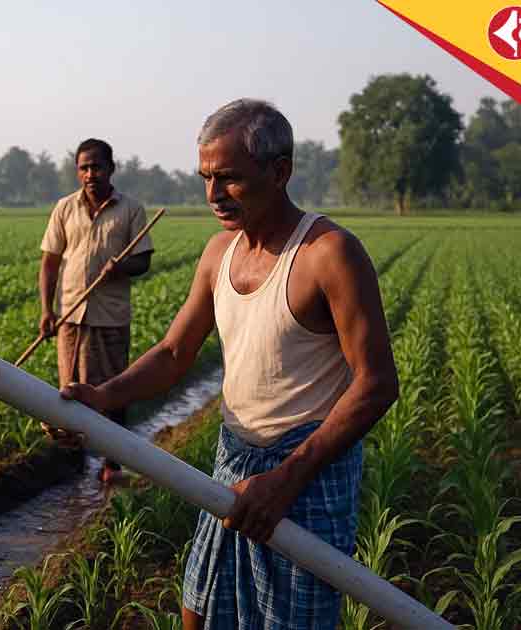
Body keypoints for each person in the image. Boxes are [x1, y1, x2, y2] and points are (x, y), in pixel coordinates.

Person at [61, 100, 398, 628]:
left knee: (289, 620)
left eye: (230, 179)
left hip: (306, 474)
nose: (214, 194)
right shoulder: (220, 252)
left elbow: (376, 385)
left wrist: (287, 478)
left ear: (279, 171)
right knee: (199, 609)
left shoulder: (328, 254)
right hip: (233, 465)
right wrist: (103, 396)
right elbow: (175, 353)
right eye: (205, 178)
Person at [39, 138, 154, 483]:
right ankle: (71, 463)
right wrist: (47, 310)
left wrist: (121, 267)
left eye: (97, 166)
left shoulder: (131, 209)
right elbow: (50, 262)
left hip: (109, 318)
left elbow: (143, 261)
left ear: (111, 168)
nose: (91, 173)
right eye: (84, 168)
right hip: (71, 316)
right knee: (68, 392)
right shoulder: (65, 208)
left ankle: (112, 463)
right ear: (78, 172)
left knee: (112, 391)